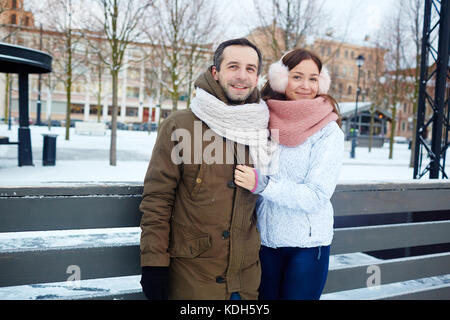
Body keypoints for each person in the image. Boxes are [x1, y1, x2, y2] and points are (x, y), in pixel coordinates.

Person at [139, 38, 272, 300]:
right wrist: (153, 264)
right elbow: (158, 199)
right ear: (215, 72)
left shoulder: (262, 127)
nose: (242, 76)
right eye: (233, 66)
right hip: (192, 280)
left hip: (246, 282)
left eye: (250, 69)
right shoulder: (180, 126)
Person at [234, 48, 344, 300]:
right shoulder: (262, 118)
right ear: (281, 79)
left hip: (306, 245)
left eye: (313, 78)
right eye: (297, 77)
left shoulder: (328, 131)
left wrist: (263, 185)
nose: (306, 85)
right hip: (264, 241)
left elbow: (316, 194)